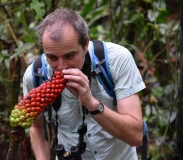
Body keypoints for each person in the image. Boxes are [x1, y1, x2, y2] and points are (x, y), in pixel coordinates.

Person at [23, 8, 146, 160]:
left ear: (86, 44)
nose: (61, 67)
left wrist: (91, 103)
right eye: (52, 58)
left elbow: (136, 136)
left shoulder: (116, 60)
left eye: (69, 56)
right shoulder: (36, 75)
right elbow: (36, 127)